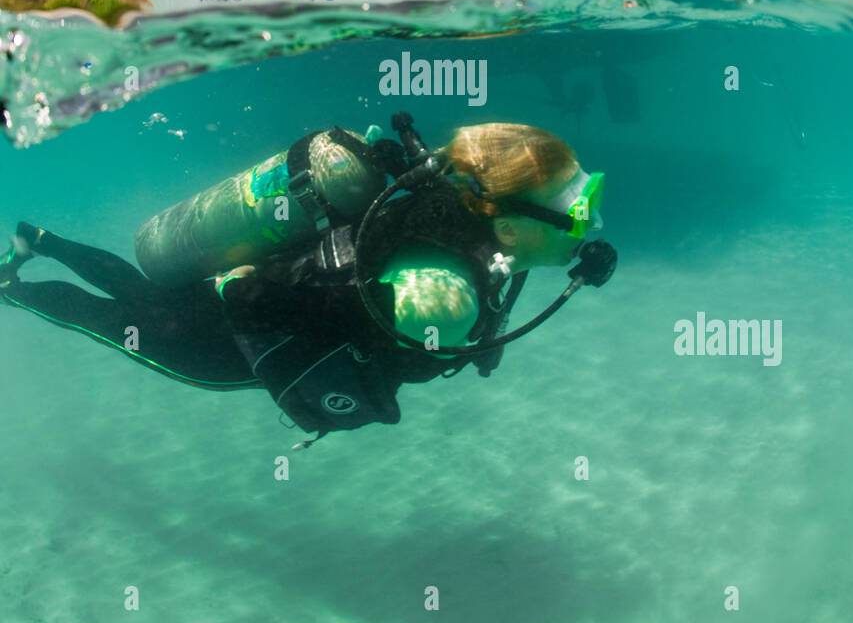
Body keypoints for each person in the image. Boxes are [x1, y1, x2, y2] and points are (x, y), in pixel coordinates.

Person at [0, 119, 615, 447]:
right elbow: (339, 312)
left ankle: (40, 241)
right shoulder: (445, 298)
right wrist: (245, 292)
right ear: (505, 222)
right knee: (104, 318)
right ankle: (10, 286)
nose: (588, 221)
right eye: (578, 204)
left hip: (242, 277)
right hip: (222, 342)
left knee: (136, 292)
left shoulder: (450, 206)